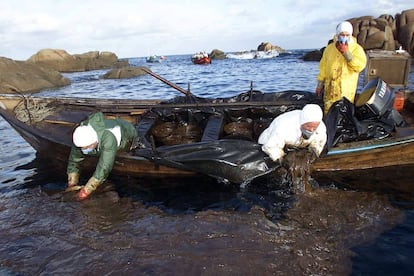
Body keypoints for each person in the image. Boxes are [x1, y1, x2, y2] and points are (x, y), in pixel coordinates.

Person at [67, 112, 137, 200]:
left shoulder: (109, 139)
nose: (84, 149)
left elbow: (104, 167)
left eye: (87, 147)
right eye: (82, 147)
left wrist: (87, 190)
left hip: (127, 134)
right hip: (102, 138)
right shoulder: (81, 134)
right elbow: (74, 159)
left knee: (112, 156)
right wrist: (72, 183)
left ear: (94, 142)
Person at [315, 21, 367, 114]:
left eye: (347, 35)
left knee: (343, 116)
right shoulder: (329, 49)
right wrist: (319, 85)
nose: (344, 37)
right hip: (329, 92)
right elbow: (323, 67)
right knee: (329, 114)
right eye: (342, 34)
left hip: (346, 92)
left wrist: (346, 53)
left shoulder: (356, 49)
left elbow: (359, 66)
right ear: (337, 34)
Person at [258, 104, 327, 162]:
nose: (311, 130)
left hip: (296, 146)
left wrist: (313, 154)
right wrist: (282, 159)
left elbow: (319, 143)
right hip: (268, 144)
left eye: (314, 127)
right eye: (308, 126)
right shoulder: (284, 126)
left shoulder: (321, 128)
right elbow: (270, 147)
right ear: (302, 122)